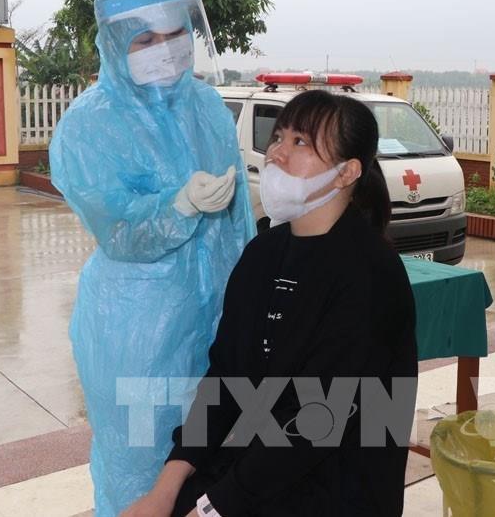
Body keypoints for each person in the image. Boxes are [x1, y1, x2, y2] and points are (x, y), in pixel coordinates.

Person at [123, 90, 418, 517]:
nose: (277, 152)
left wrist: (210, 509)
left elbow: (319, 421)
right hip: (254, 470)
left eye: (300, 142)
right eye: (278, 137)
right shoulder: (263, 253)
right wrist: (166, 487)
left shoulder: (372, 274)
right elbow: (224, 378)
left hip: (336, 487)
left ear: (347, 172)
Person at [49, 0, 256, 516]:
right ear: (116, 44)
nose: (165, 49)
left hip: (217, 324)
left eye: (174, 33)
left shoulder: (207, 107)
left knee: (214, 462)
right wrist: (178, 204)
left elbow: (238, 219)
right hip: (137, 335)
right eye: (146, 39)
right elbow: (118, 229)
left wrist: (249, 291)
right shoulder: (89, 125)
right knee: (140, 475)